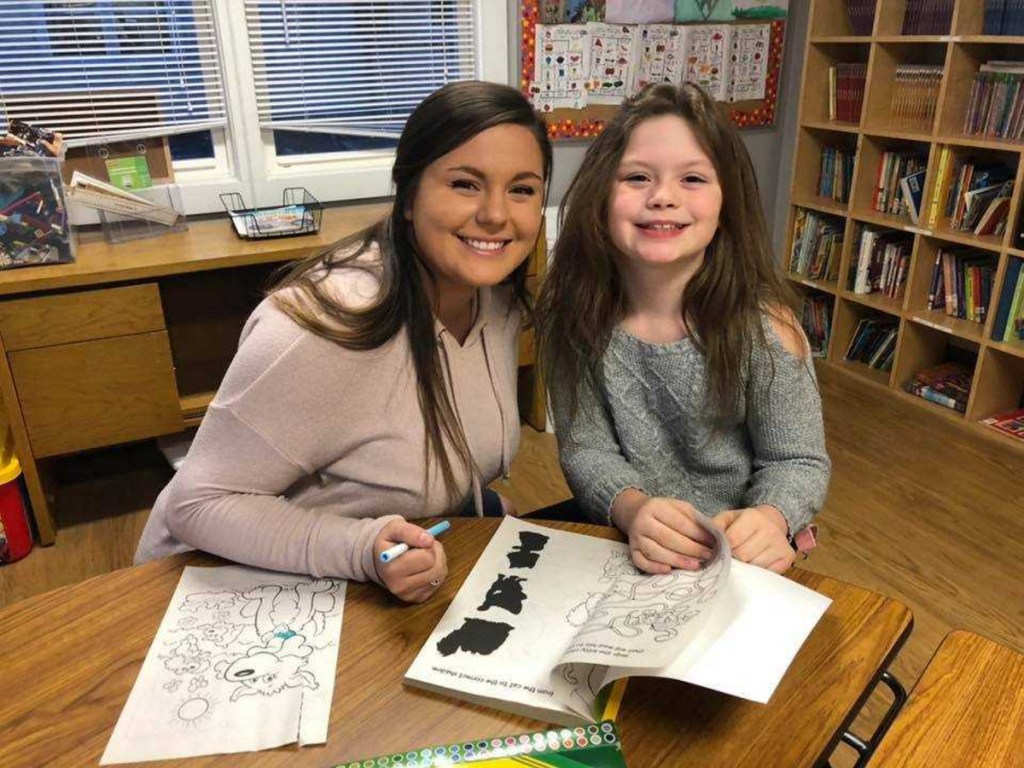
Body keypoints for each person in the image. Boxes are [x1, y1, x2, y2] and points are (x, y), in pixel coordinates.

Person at [136, 80, 552, 603]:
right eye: (465, 184)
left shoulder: (495, 297)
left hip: (370, 572)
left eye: (522, 189)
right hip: (221, 580)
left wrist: (477, 511)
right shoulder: (328, 324)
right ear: (409, 197)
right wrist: (361, 547)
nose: (496, 214)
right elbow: (198, 504)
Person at [535, 82, 830, 576]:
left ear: (726, 202)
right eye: (636, 177)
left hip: (738, 561)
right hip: (627, 549)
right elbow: (587, 452)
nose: (663, 198)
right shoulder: (575, 316)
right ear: (600, 194)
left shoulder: (766, 329)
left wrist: (771, 516)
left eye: (692, 178)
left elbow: (798, 461)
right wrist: (632, 509)